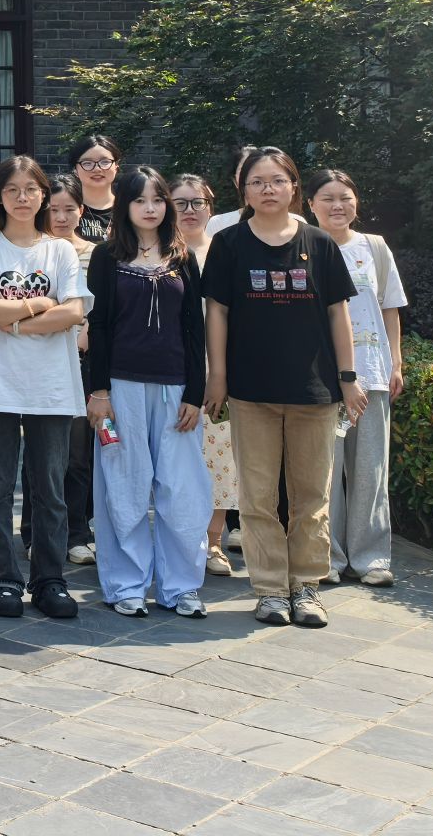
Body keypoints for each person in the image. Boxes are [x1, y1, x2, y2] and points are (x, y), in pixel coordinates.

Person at [203, 147, 363, 629]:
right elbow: (217, 312)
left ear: (294, 187)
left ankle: (307, 586)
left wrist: (348, 378)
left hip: (314, 391)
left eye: (276, 180)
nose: (267, 189)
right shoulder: (229, 243)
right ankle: (271, 588)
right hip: (251, 391)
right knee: (257, 497)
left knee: (311, 495)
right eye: (257, 182)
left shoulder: (320, 242)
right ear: (244, 191)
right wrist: (218, 375)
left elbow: (338, 313)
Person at [0, 155, 91, 621]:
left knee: (50, 490)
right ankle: (2, 580)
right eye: (12, 189)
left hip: (51, 385)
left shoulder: (60, 252)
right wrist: (39, 304)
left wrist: (12, 320)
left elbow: (73, 312)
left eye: (30, 189)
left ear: (43, 196)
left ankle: (50, 580)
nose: (22, 198)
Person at [86, 166, 212, 619]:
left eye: (158, 200)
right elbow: (98, 327)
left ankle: (182, 587)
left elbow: (194, 329)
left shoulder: (183, 257)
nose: (150, 208)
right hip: (120, 386)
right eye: (140, 200)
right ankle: (126, 584)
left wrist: (195, 392)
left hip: (176, 387)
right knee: (124, 484)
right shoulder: (106, 256)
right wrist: (98, 391)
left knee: (182, 488)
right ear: (124, 205)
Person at [303, 169, 406, 588]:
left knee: (370, 470)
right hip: (321, 377)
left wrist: (395, 362)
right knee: (323, 472)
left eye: (345, 197)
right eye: (327, 198)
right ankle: (325, 555)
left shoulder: (374, 247)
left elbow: (390, 308)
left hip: (372, 373)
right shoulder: (303, 246)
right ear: (310, 204)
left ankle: (370, 557)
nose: (337, 206)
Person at [173, 174, 242, 577]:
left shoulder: (226, 250)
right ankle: (177, 540)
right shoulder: (159, 254)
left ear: (210, 208)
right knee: (174, 461)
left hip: (219, 370)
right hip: (169, 370)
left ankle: (213, 541)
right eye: (180, 203)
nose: (190, 211)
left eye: (197, 202)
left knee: (218, 460)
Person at [37, 173, 98, 567]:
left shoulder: (96, 253)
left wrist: (85, 334)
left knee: (78, 453)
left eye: (69, 209)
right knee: (40, 451)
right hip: (40, 355)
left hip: (81, 358)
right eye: (53, 209)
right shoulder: (34, 249)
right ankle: (35, 532)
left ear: (81, 210)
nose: (61, 217)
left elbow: (101, 305)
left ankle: (77, 532)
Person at [67, 135, 121, 245]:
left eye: (105, 162)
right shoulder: (66, 209)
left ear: (116, 166)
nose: (97, 169)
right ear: (75, 170)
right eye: (87, 163)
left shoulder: (129, 208)